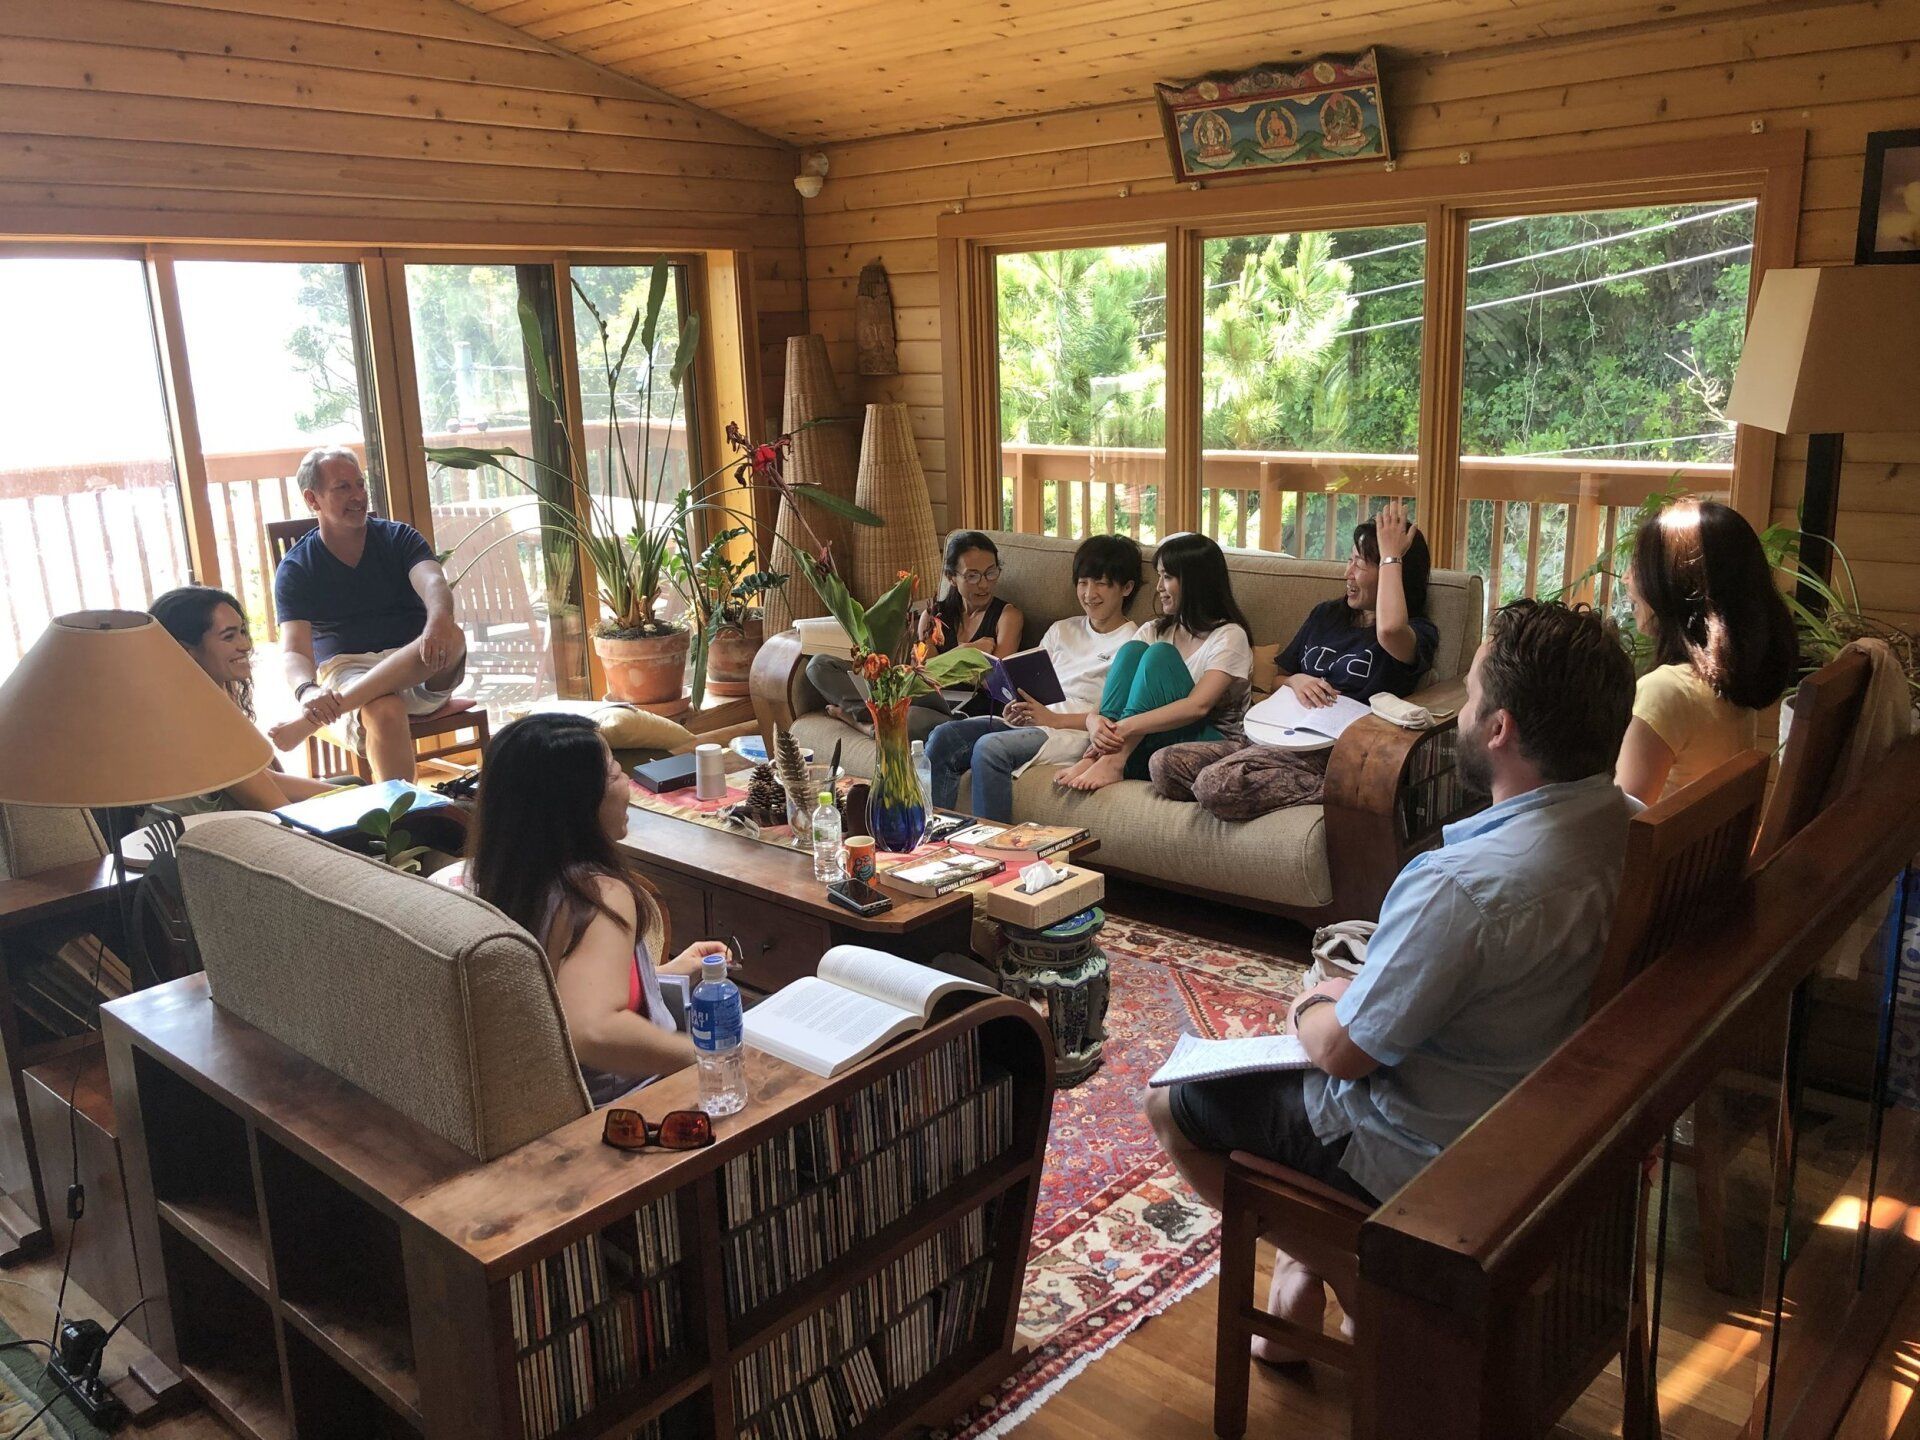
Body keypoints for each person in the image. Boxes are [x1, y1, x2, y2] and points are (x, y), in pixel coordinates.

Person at [1145, 599, 1637, 1362]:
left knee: (1175, 1102)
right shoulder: (1624, 824)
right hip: (1533, 1116)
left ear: (1499, 729)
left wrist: (1311, 996)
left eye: (1473, 700)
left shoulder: (1462, 884)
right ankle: (1311, 1267)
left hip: (1429, 1150)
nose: (1465, 711)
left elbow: (1343, 1053)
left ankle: (1362, 1290)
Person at [459, 713, 730, 1105]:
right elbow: (593, 1030)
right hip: (625, 1105)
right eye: (615, 773)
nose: (628, 785)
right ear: (576, 801)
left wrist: (662, 975)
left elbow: (563, 989)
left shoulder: (504, 878)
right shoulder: (598, 894)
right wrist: (709, 1058)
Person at [1151, 501, 1437, 820]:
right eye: (1349, 560)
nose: (1347, 574)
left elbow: (1389, 628)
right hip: (1276, 736)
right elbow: (1276, 679)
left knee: (1215, 784)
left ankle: (1345, 790)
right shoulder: (1326, 614)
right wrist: (1295, 680)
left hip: (1332, 752)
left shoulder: (1416, 632)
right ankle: (1268, 784)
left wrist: (1390, 554)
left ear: (1390, 570)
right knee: (1163, 765)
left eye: (1360, 564)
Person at [267, 446, 469, 782]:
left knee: (453, 635)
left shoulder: (398, 537)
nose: (358, 496)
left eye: (360, 485)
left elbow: (433, 580)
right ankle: (403, 824)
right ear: (312, 499)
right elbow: (293, 650)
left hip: (417, 664)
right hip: (348, 672)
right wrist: (308, 692)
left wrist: (437, 620)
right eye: (342, 487)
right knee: (384, 708)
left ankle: (313, 721)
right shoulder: (297, 567)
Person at [924, 534, 1144, 820]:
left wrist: (1050, 719)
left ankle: (992, 852)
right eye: (1083, 582)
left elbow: (1112, 716)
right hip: (1034, 720)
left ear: (1126, 587)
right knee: (944, 736)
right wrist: (1014, 706)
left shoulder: (1134, 643)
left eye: (1101, 583)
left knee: (990, 748)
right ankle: (934, 837)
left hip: (1071, 730)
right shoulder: (1061, 629)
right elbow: (1027, 682)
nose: (1090, 594)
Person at [1614, 497, 1795, 806]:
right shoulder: (1729, 683)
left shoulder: (1666, 693)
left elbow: (1619, 828)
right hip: (1698, 853)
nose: (1626, 579)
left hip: (1659, 855)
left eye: (1639, 567)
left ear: (1673, 585)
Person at [1053, 532, 1253, 793]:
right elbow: (1112, 697)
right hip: (1148, 740)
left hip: (1207, 744)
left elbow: (1198, 706)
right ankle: (1096, 757)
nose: (1158, 587)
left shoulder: (1229, 636)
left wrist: (1123, 728)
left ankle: (1113, 760)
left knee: (1159, 655)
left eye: (1167, 577)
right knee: (1133, 651)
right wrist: (1095, 722)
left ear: (1195, 582)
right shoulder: (1153, 629)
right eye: (1159, 576)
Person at [806, 531, 1025, 742]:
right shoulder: (933, 615)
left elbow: (997, 684)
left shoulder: (1007, 616)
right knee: (819, 666)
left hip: (960, 713)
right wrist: (969, 652)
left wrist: (946, 667)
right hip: (919, 696)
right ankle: (881, 718)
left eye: (991, 572)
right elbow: (923, 674)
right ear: (951, 577)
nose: (984, 583)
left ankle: (861, 723)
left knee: (909, 720)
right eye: (972, 576)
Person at [147, 586, 342, 816]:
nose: (245, 645)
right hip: (199, 842)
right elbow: (276, 808)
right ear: (185, 650)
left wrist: (350, 794)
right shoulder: (193, 718)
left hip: (240, 820)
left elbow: (264, 779)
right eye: (229, 636)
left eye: (242, 631)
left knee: (357, 788)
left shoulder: (213, 695)